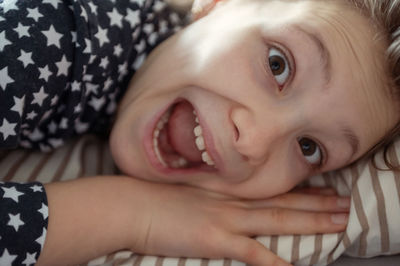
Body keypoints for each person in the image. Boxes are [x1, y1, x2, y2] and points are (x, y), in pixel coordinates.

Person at [0, 0, 399, 265]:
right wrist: (134, 213)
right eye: (278, 65)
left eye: (309, 147)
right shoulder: (46, 37)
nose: (256, 142)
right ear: (216, 3)